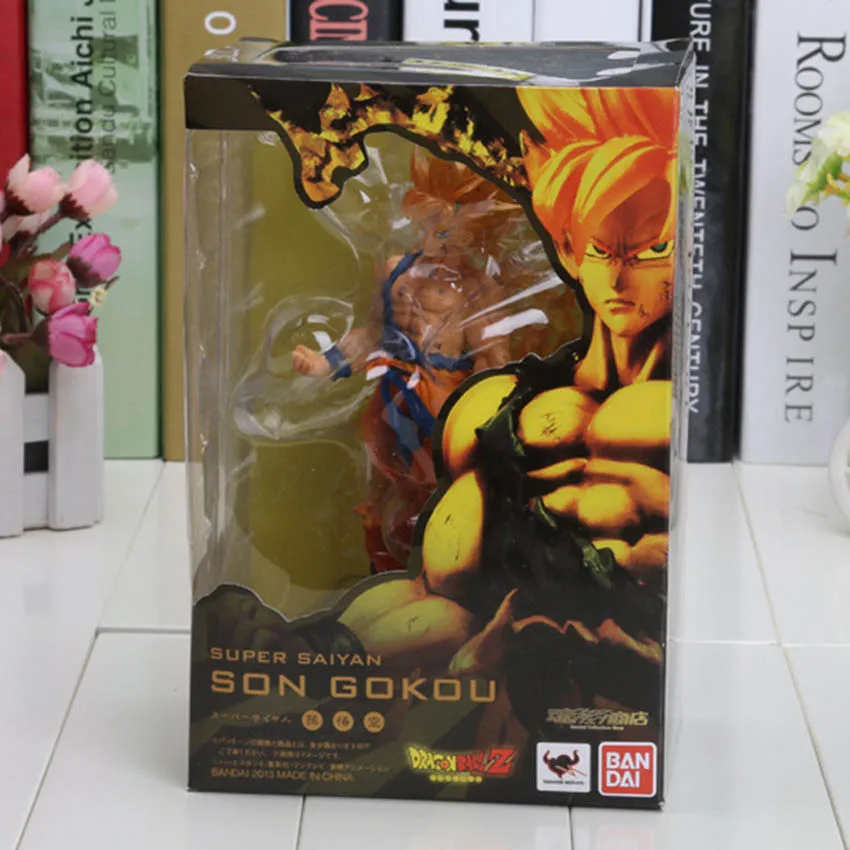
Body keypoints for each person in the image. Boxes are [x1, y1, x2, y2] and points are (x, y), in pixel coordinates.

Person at [291, 148, 520, 572]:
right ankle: (384, 559)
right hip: (393, 390)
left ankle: (448, 561)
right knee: (383, 483)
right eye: (426, 224)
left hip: (445, 402)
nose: (431, 236)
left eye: (443, 228)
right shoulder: (396, 270)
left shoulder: (479, 289)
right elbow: (373, 333)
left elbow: (493, 359)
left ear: (471, 232)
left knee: (440, 486)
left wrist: (489, 422)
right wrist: (325, 362)